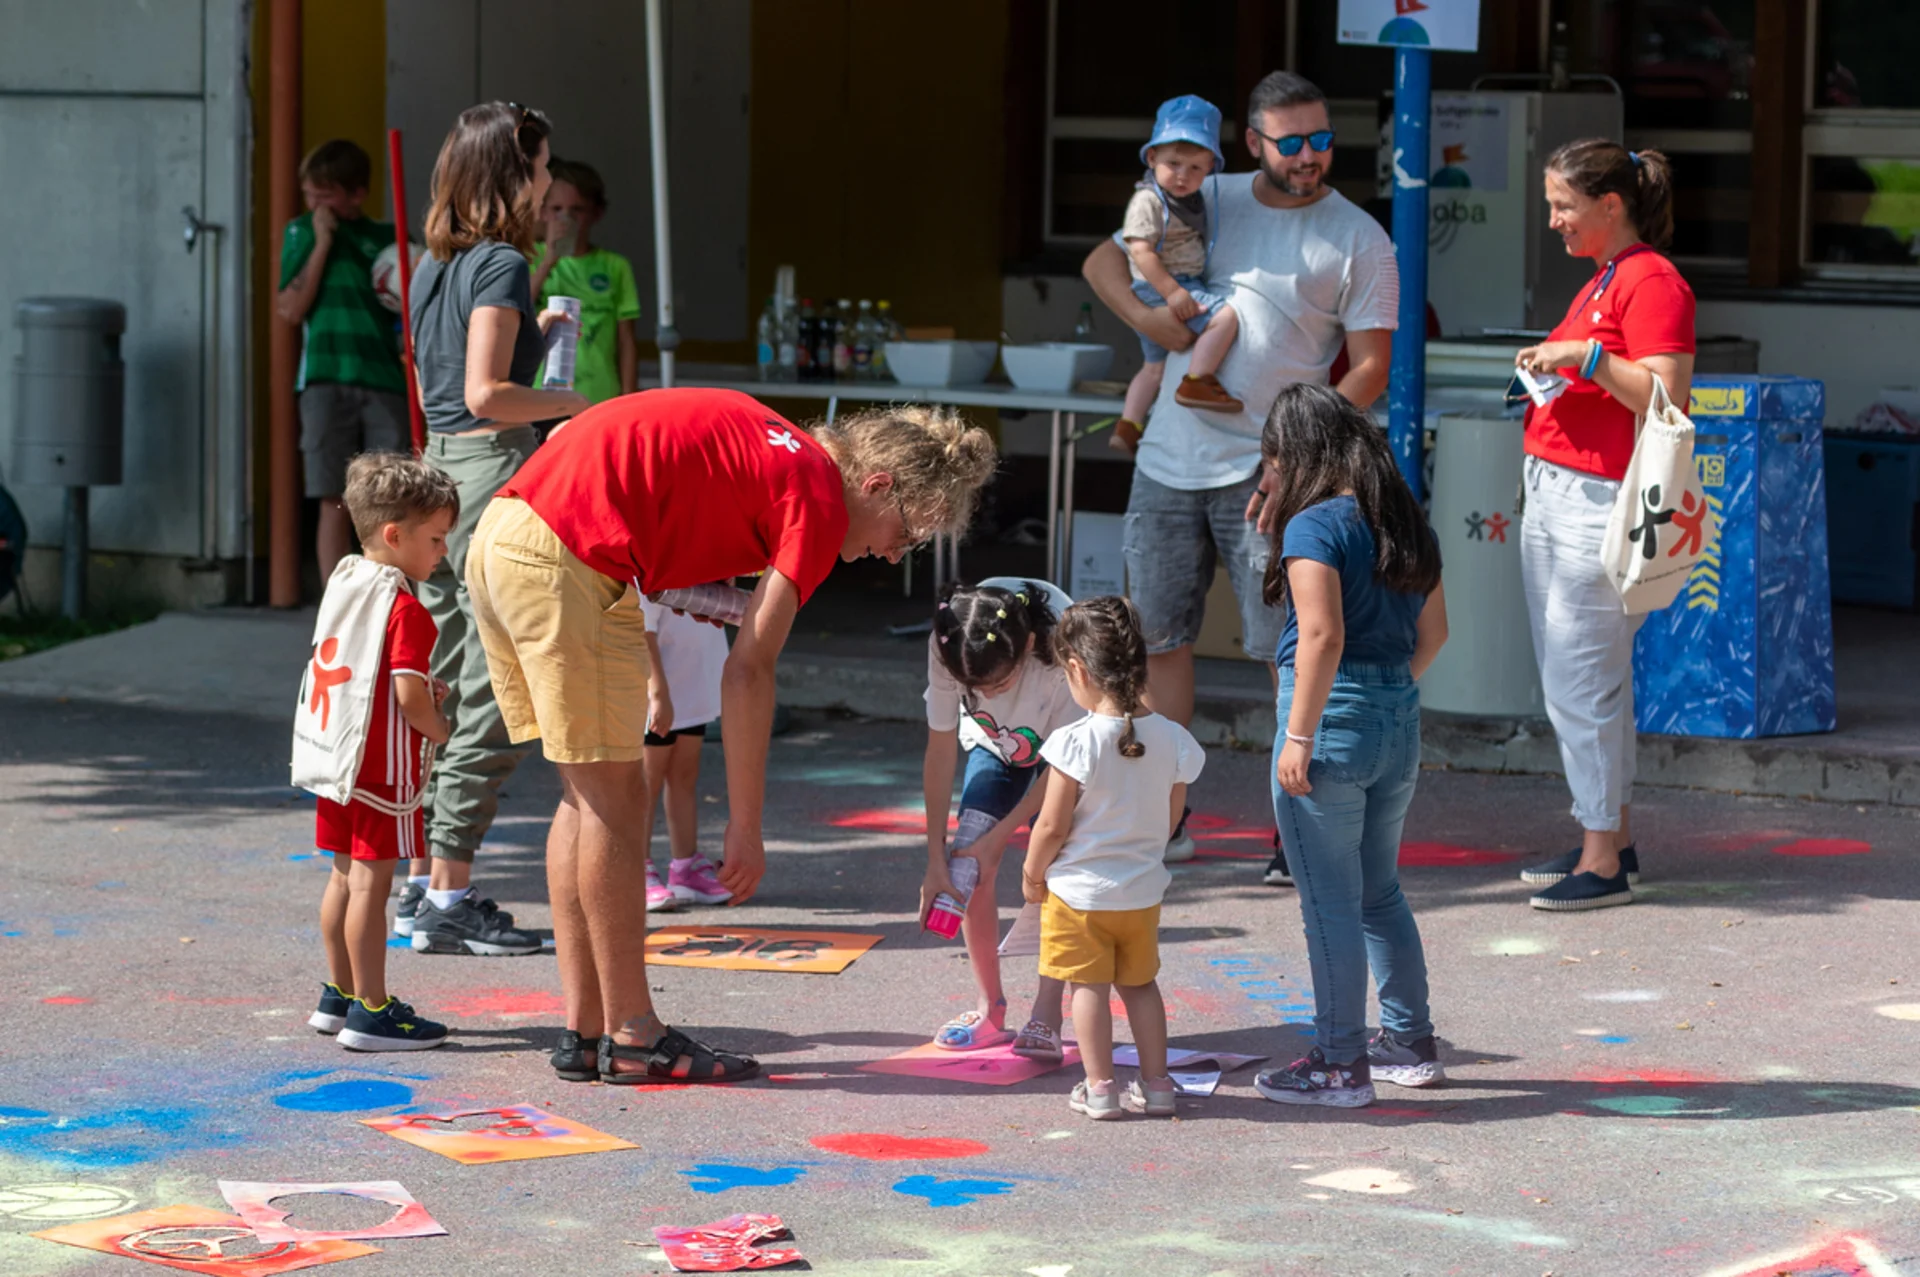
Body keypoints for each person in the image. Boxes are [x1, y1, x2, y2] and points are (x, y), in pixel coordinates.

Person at [467, 387, 995, 1084]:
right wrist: (745, 826)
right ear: (876, 483)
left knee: (587, 795)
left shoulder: (781, 448)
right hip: (569, 552)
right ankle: (632, 1034)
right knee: (616, 801)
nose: (895, 553)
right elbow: (749, 672)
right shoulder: (817, 494)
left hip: (507, 533)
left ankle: (587, 1026)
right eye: (908, 530)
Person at [1081, 71, 1397, 883]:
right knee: (1156, 646)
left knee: (1285, 651)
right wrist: (1151, 321)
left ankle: (1303, 828)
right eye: (1290, 141)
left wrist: (1299, 453)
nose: (1310, 156)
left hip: (1271, 470)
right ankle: (1164, 820)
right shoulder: (1201, 188)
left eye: (1322, 139)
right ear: (1251, 142)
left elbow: (1370, 369)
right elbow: (1099, 263)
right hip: (1166, 462)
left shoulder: (1359, 234)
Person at [402, 102, 590, 955]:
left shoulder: (435, 264)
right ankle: (450, 890)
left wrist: (533, 342)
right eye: (543, 166)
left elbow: (452, 382)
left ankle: (419, 878)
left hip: (438, 471)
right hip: (490, 472)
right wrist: (568, 402)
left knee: (441, 675)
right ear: (513, 174)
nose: (551, 181)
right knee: (493, 682)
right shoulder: (502, 262)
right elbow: (487, 395)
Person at [1249, 385, 1449, 1109]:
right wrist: (1384, 694)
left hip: (1331, 719)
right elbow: (1436, 635)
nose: (1266, 476)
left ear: (1298, 454)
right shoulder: (1402, 521)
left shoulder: (1314, 525)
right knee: (1378, 891)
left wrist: (1300, 733)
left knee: (1329, 902)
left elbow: (1322, 635)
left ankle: (1339, 1062)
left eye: (1271, 459)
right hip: (1397, 712)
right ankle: (1410, 1041)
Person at [1512, 142, 1693, 913]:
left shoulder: (1650, 279)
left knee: (1580, 679)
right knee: (1587, 679)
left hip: (1594, 500)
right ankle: (1608, 838)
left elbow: (1665, 396)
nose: (1553, 220)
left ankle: (1602, 855)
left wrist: (1583, 357)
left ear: (1610, 205)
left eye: (1564, 206)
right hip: (1563, 490)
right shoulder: (1612, 277)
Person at [1021, 596, 1203, 1121]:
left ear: (1078, 668)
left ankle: (1100, 1088)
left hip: (1078, 894)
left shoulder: (1074, 742)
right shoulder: (1172, 738)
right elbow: (1169, 820)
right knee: (1141, 986)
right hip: (1142, 891)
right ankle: (1159, 1084)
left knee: (1088, 988)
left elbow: (1052, 825)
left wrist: (1033, 874)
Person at [306, 454, 458, 1052]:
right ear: (395, 536)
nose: (443, 550)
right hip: (380, 768)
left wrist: (420, 689)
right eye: (437, 538)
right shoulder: (408, 609)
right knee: (373, 885)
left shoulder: (345, 583)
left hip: (334, 754)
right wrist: (439, 725)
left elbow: (374, 673)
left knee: (342, 875)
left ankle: (337, 995)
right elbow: (407, 698)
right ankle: (372, 1010)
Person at [921, 578, 1080, 1060]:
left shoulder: (1064, 653)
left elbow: (1066, 769)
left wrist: (1005, 835)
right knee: (968, 862)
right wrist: (935, 860)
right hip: (996, 746)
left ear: (1029, 646)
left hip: (1067, 755)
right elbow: (940, 747)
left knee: (1056, 871)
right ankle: (991, 1008)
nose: (986, 694)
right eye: (975, 689)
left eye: (1000, 683)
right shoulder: (952, 638)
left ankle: (1048, 1012)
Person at [275, 140, 410, 585]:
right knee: (333, 496)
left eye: (325, 194)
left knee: (390, 496)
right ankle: (335, 604)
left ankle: (387, 595)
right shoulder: (301, 232)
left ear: (356, 194)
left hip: (384, 380)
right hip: (324, 381)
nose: (315, 203)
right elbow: (291, 309)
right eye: (310, 193)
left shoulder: (389, 240)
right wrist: (323, 242)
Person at [1111, 95, 1243, 456]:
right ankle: (1197, 381)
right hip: (1166, 287)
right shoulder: (1148, 201)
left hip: (1170, 287)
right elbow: (1140, 251)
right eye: (1173, 164)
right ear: (1151, 158)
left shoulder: (1188, 200)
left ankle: (1129, 424)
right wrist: (1173, 293)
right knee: (1225, 318)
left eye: (1196, 168)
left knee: (1153, 367)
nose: (1183, 175)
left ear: (1210, 169)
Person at [637, 598, 733, 911]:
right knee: (646, 784)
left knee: (684, 776)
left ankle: (685, 867)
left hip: (692, 689)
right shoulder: (654, 562)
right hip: (659, 694)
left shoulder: (706, 561)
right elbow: (643, 629)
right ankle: (635, 867)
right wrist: (658, 692)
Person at [530, 158, 641, 406]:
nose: (565, 219)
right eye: (557, 209)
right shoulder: (531, 259)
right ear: (543, 212)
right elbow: (514, 314)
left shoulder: (615, 266)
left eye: (576, 210)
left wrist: (629, 397)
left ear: (596, 213)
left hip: (601, 393)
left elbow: (627, 341)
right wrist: (549, 260)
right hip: (542, 394)